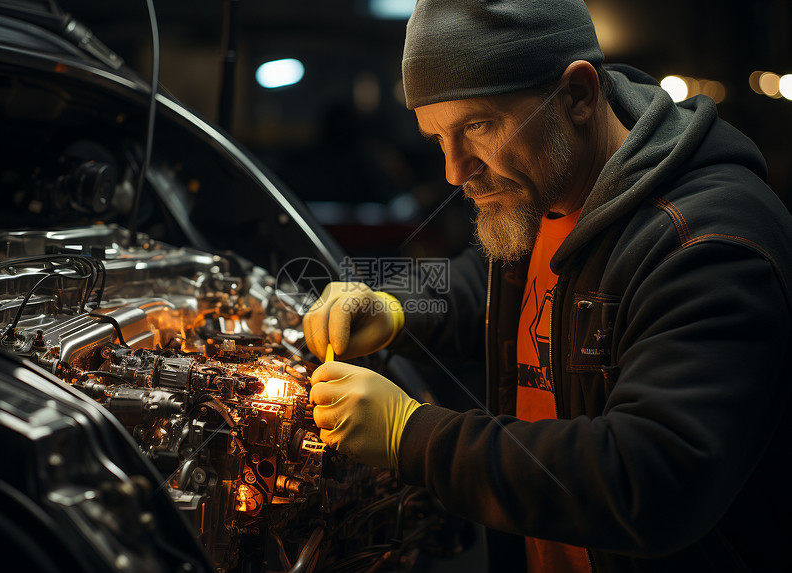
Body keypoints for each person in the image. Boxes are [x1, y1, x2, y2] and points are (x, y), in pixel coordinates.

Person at [302, 1, 792, 571]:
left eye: (478, 126)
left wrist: (413, 435)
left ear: (579, 96)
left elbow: (648, 483)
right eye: (439, 139)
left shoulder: (708, 243)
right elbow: (478, 281)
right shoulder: (549, 186)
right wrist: (387, 298)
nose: (455, 172)